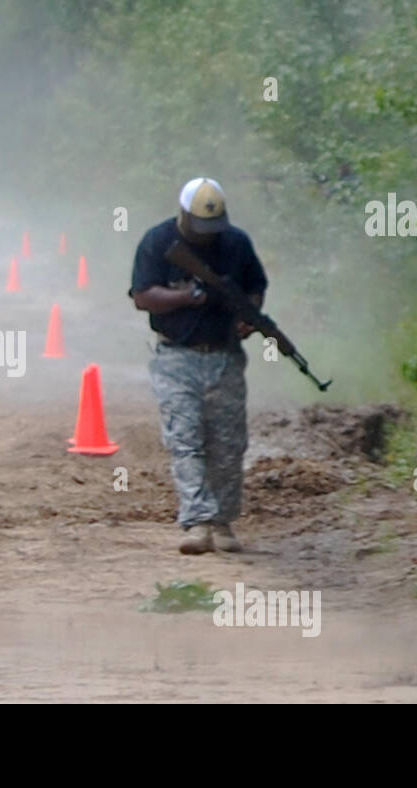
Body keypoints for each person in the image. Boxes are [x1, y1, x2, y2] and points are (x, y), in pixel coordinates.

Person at [129, 177, 268, 554]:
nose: (207, 236)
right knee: (185, 440)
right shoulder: (158, 242)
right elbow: (143, 296)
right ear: (184, 215)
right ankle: (197, 520)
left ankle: (222, 521)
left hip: (224, 355)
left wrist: (250, 317)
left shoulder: (236, 243)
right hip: (177, 356)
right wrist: (189, 297)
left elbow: (256, 285)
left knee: (228, 444)